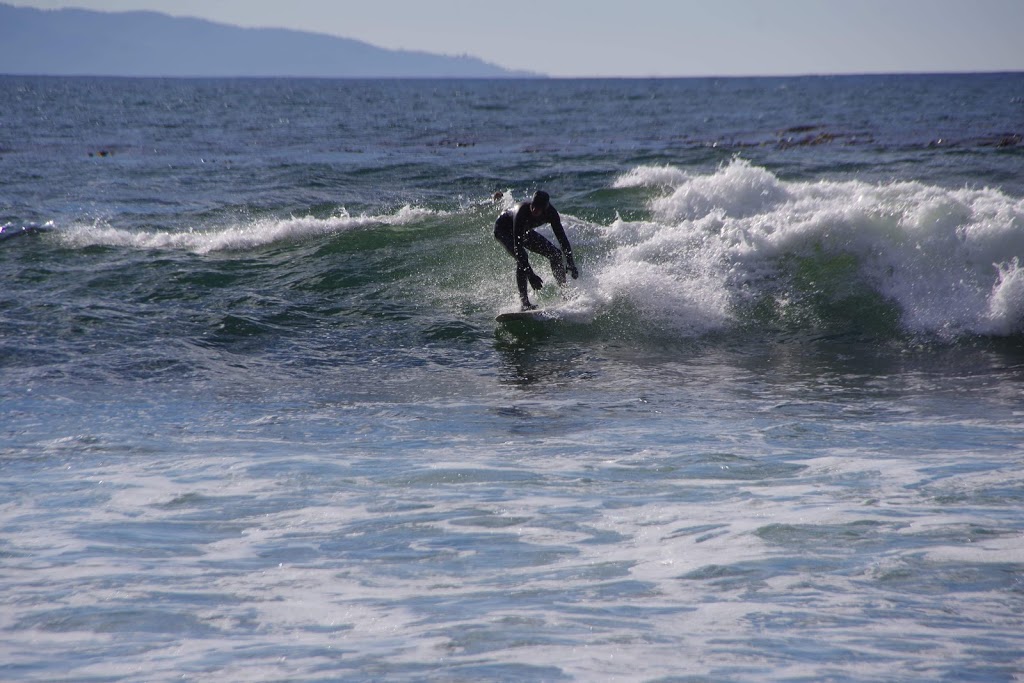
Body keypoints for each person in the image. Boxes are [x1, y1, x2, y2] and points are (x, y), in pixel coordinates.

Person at [493, 190, 579, 310]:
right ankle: (525, 303)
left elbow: (562, 239)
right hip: (503, 229)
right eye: (533, 206)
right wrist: (531, 275)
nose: (534, 210)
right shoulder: (522, 211)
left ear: (544, 209)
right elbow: (518, 248)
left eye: (538, 208)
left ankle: (565, 293)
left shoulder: (551, 214)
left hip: (523, 231)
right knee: (522, 257)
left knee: (555, 254)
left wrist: (571, 263)